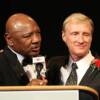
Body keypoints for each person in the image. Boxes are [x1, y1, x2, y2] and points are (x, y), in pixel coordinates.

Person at [46, 12, 100, 96]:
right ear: (64, 36)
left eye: (86, 34)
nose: (81, 40)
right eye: (75, 34)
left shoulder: (98, 67)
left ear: (91, 37)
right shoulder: (53, 65)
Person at [0, 13, 47, 86]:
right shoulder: (2, 63)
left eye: (38, 33)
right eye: (27, 36)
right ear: (9, 40)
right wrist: (25, 93)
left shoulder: (48, 62)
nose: (37, 40)